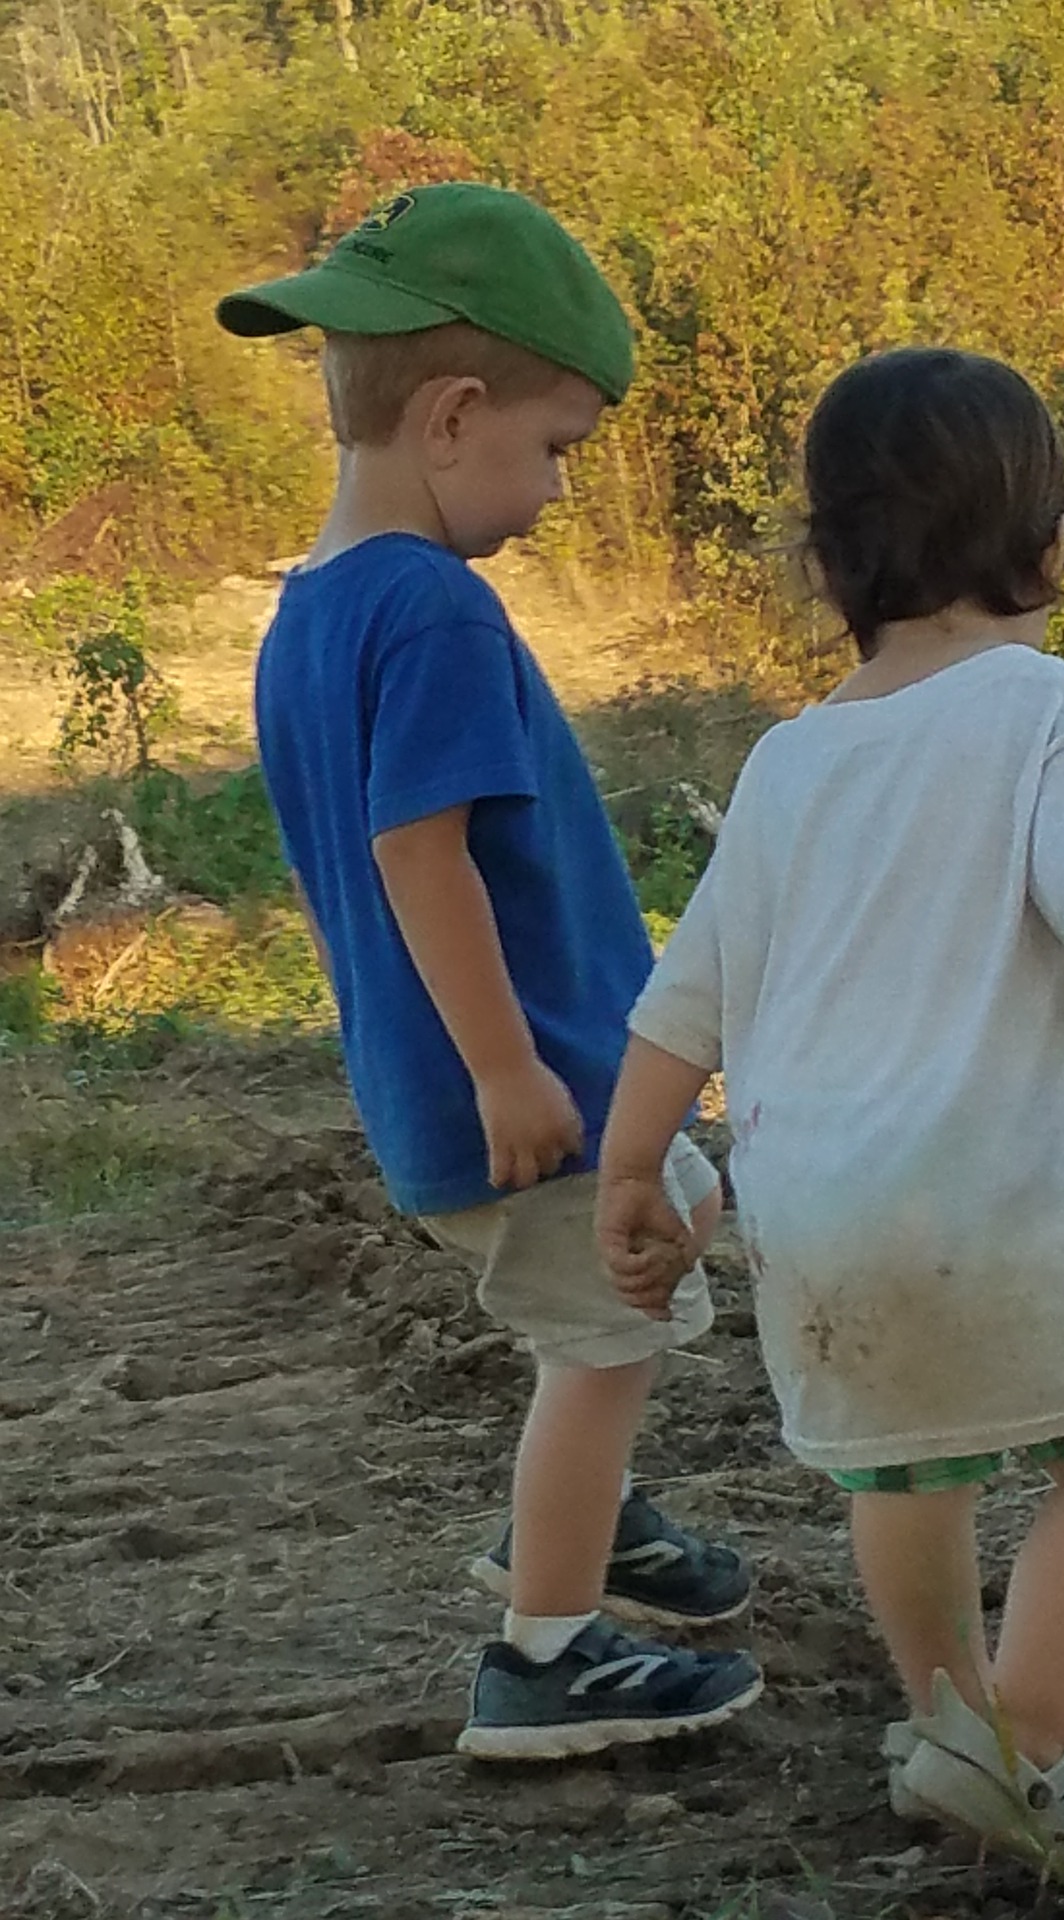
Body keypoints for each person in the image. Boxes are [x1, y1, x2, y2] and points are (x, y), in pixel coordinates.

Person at [594, 347, 1064, 1888]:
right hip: (1018, 1192)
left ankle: (947, 1714)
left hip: (823, 1215)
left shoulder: (790, 761)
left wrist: (630, 1170)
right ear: (1050, 543)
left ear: (828, 563)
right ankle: (1020, 1751)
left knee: (905, 1470)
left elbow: (687, 998)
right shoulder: (1057, 710)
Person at [215, 182, 761, 1761]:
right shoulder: (437, 607)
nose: (559, 491)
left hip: (450, 1079)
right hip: (527, 1084)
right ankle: (548, 1650)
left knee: (683, 1218)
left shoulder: (314, 609)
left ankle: (583, 1521)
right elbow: (416, 854)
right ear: (455, 414)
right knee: (604, 1341)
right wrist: (512, 1066)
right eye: (558, 450)